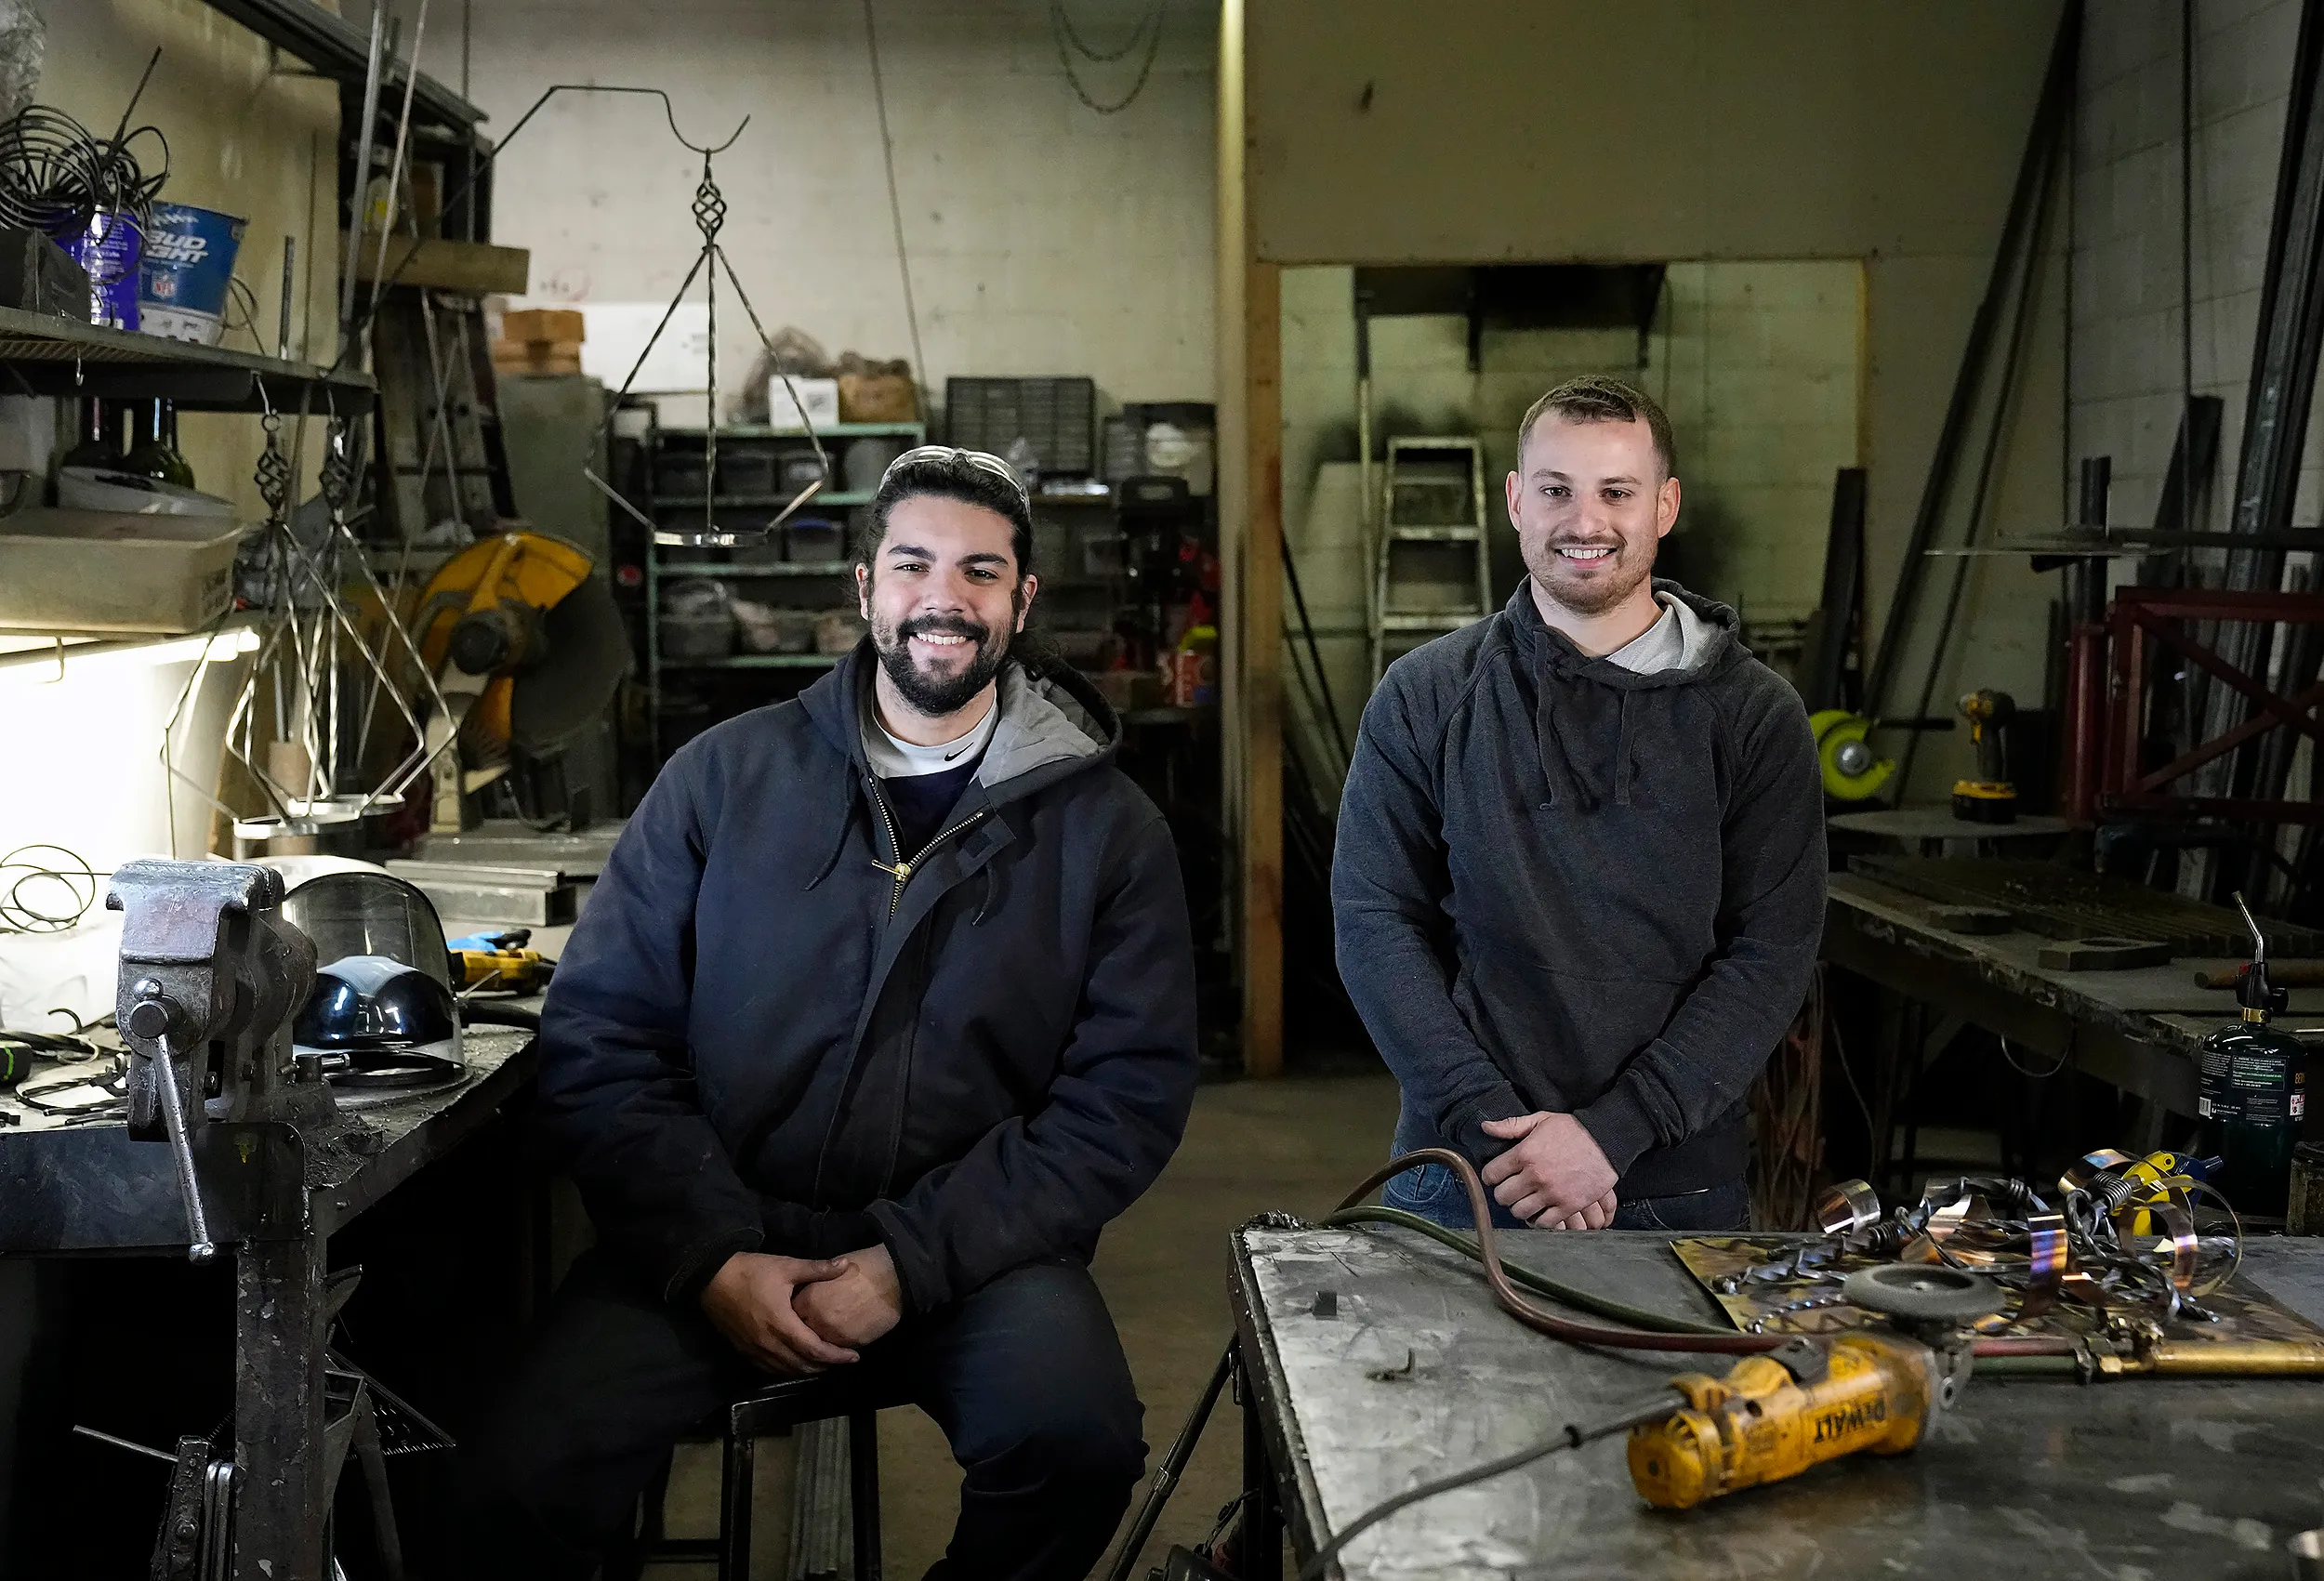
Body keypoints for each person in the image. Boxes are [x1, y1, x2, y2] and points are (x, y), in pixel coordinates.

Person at [460, 446, 1200, 1580]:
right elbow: (603, 1035)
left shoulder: (1109, 833)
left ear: (1022, 601)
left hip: (970, 1255)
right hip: (712, 1235)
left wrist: (907, 1263)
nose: (943, 598)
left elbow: (1122, 1100)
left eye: (980, 571)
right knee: (515, 1474)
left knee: (1076, 1444)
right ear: (864, 588)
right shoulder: (721, 780)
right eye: (912, 565)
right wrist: (713, 1254)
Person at [1331, 375, 1824, 1235]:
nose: (1585, 521)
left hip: (1675, 1186)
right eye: (1556, 490)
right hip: (1462, 1172)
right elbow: (1374, 922)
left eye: (1616, 492)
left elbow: (1772, 951)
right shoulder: (1425, 696)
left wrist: (1614, 1132)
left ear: (1665, 506)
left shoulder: (1755, 717)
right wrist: (1493, 1123)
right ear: (1516, 501)